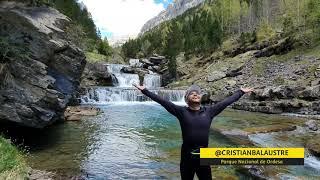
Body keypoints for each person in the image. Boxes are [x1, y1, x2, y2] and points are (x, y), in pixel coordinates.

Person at [133, 84, 253, 180]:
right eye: (191, 93)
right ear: (186, 99)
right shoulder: (181, 112)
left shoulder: (209, 112)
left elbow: (225, 102)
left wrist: (240, 92)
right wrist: (145, 91)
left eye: (197, 93)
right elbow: (163, 102)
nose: (195, 94)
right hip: (187, 157)